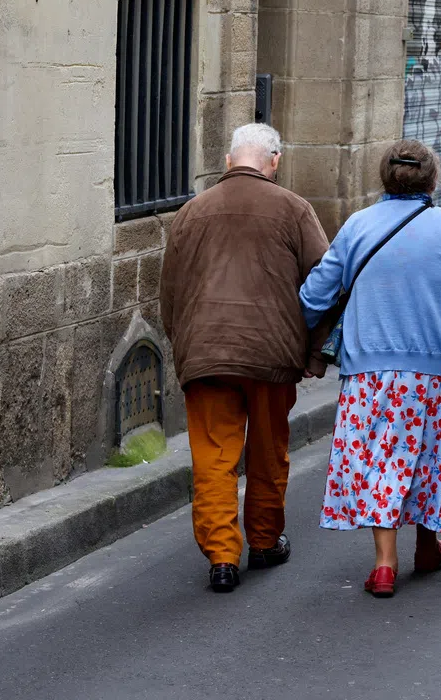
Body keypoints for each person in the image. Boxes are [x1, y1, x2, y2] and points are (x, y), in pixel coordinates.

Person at [299, 139, 441, 598]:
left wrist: (306, 335)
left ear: (385, 177)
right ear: (433, 179)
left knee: (379, 462)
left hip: (369, 374)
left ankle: (384, 566)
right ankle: (427, 546)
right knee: (430, 459)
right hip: (437, 373)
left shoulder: (358, 226)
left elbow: (314, 296)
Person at [160, 123, 329, 593]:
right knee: (267, 453)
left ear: (231, 160)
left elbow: (170, 292)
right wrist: (314, 352)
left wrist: (184, 348)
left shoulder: (192, 212)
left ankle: (221, 557)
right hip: (272, 354)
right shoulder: (294, 209)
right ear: (273, 161)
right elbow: (325, 281)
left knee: (213, 457)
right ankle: (264, 540)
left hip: (206, 353)